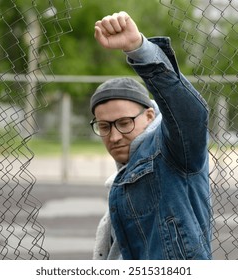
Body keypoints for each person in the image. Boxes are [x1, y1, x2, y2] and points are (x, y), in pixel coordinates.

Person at [89, 11, 212, 260]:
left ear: (149, 116)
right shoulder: (122, 175)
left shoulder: (171, 151)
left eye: (123, 123)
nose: (113, 137)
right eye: (104, 127)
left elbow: (190, 115)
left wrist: (138, 48)